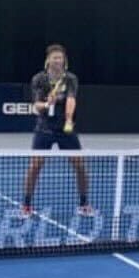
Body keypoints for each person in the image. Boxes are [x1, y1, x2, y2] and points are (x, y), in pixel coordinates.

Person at [22, 44, 95, 217]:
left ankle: (84, 204)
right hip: (44, 129)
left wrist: (69, 119)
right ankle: (26, 205)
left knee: (80, 166)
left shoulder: (70, 79)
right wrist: (48, 104)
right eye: (54, 58)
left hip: (65, 130)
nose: (57, 61)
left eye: (60, 58)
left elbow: (71, 99)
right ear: (48, 61)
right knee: (35, 167)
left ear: (64, 61)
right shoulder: (39, 79)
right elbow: (37, 106)